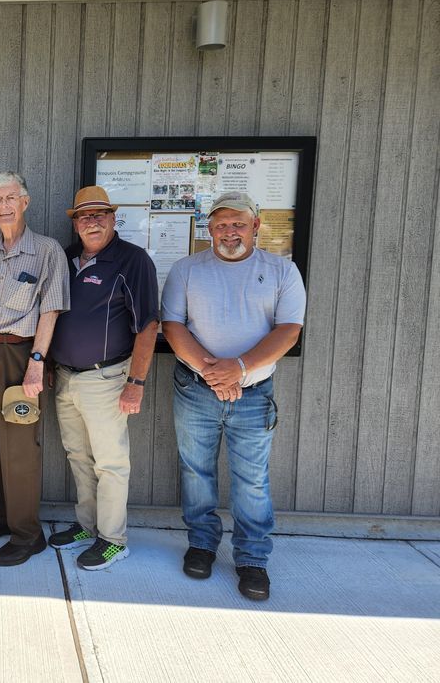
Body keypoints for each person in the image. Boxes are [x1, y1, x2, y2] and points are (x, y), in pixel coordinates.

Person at [161, 191, 306, 601]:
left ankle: (252, 558)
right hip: (196, 389)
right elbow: (172, 326)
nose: (229, 232)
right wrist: (214, 372)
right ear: (209, 229)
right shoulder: (186, 269)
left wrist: (239, 368)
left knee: (252, 479)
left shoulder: (282, 271)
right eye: (221, 224)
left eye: (238, 223)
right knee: (196, 471)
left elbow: (288, 331)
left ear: (255, 225)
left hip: (254, 393)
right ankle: (202, 544)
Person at [48, 186, 158, 570]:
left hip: (107, 378)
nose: (91, 222)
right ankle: (87, 526)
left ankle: (112, 540)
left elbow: (148, 325)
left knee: (110, 463)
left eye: (99, 215)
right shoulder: (65, 258)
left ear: (113, 219)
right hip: (65, 377)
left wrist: (136, 383)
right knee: (78, 456)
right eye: (84, 216)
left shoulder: (132, 260)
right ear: (75, 223)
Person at [0, 171, 70, 567]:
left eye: (11, 198)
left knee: (20, 448)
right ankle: (2, 517)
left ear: (25, 202)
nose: (4, 206)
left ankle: (27, 534)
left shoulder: (46, 251)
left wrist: (36, 364)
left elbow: (51, 310)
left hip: (19, 356)